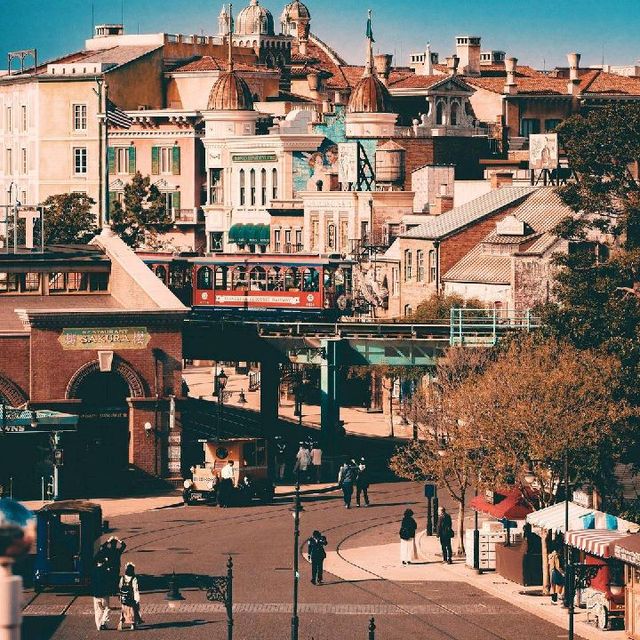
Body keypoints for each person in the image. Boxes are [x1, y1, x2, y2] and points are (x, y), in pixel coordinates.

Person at [118, 563, 141, 631]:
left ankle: (121, 623)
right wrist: (137, 599)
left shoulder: (123, 578)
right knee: (132, 611)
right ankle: (132, 625)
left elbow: (120, 587)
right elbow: (135, 589)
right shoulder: (134, 579)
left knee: (123, 611)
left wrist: (120, 596)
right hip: (131, 598)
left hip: (124, 598)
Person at [91, 556, 111, 630]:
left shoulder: (93, 571)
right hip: (104, 594)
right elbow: (108, 581)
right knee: (106, 609)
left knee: (97, 610)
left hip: (96, 594)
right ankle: (103, 622)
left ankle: (98, 625)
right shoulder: (105, 571)